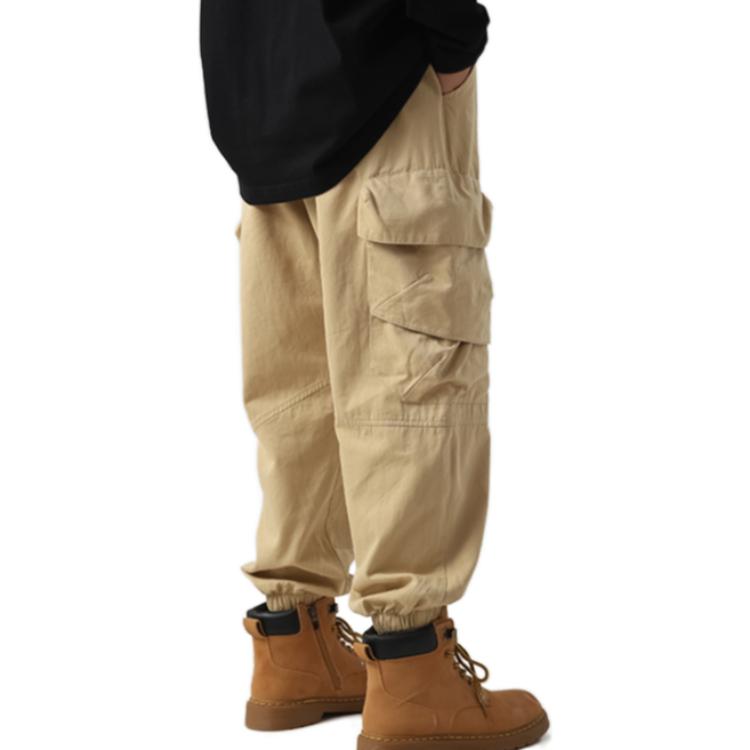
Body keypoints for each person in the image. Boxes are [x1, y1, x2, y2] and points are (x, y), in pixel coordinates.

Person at [200, 2, 549, 748]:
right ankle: (412, 666)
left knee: (298, 393)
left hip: (261, 84)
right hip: (378, 73)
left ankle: (294, 646)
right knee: (411, 382)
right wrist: (453, 34)